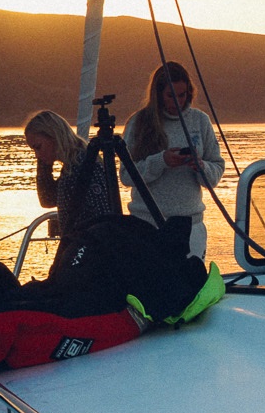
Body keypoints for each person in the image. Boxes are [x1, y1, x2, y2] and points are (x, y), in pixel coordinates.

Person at [120, 61, 224, 258]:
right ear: (158, 94)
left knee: (192, 285)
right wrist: (161, 161)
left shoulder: (200, 121)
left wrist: (200, 166)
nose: (177, 101)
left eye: (182, 95)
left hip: (190, 224)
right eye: (171, 96)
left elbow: (217, 169)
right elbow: (126, 176)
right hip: (147, 225)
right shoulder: (138, 123)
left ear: (189, 93)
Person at [22, 108, 121, 266]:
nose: (37, 154)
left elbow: (103, 215)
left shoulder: (84, 164)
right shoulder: (72, 165)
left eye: (38, 147)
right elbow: (47, 199)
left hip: (90, 254)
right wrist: (44, 164)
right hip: (80, 249)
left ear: (54, 136)